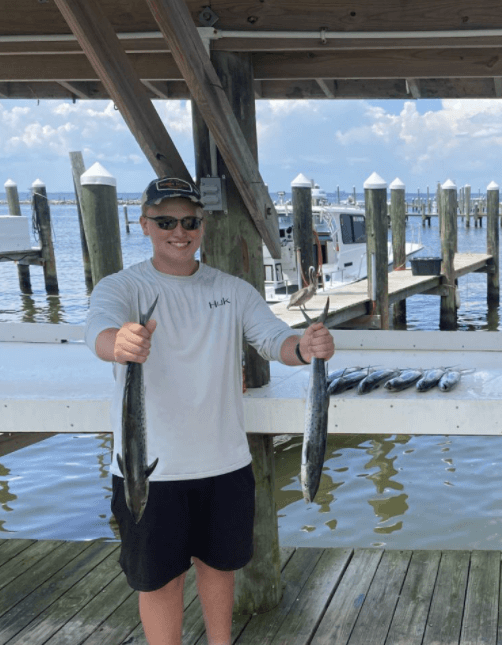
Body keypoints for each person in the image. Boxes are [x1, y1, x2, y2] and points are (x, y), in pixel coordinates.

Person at [85, 177, 334, 645]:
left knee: (220, 569)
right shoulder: (121, 287)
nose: (178, 231)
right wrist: (117, 343)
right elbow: (98, 330)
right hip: (147, 470)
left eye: (189, 221)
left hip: (224, 463)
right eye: (165, 221)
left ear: (201, 225)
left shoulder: (232, 290)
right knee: (160, 581)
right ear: (144, 225)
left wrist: (303, 347)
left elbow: (272, 338)